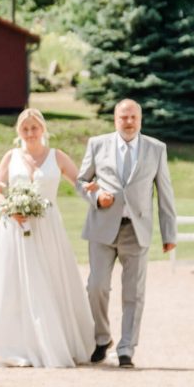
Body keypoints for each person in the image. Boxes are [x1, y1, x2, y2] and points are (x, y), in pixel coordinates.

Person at [0, 109, 96, 367]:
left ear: (43, 129)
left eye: (34, 128)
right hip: (14, 228)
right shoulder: (11, 157)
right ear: (19, 131)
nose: (30, 133)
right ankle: (14, 343)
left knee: (49, 280)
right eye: (25, 129)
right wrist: (9, 207)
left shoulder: (57, 156)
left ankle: (54, 341)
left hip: (48, 228)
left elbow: (80, 183)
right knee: (13, 283)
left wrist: (98, 192)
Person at [76, 99, 177, 368]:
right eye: (123, 117)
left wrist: (169, 233)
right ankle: (102, 338)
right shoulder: (98, 145)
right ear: (115, 120)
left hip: (137, 230)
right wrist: (97, 197)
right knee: (96, 286)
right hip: (102, 228)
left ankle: (126, 349)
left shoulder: (156, 149)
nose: (129, 122)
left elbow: (165, 193)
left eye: (133, 117)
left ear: (140, 119)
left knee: (134, 293)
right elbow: (81, 181)